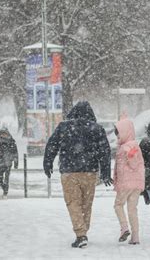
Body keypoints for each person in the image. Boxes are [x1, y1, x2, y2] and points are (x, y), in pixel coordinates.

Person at [44, 101, 112, 248]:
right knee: (87, 204)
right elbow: (105, 152)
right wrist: (105, 172)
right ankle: (83, 230)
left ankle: (81, 234)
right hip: (90, 172)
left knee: (73, 202)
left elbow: (52, 144)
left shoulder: (64, 127)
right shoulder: (96, 129)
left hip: (69, 172)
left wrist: (47, 162)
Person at [113, 117, 145, 245]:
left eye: (119, 133)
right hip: (137, 183)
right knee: (133, 209)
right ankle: (135, 236)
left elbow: (130, 163)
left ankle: (124, 227)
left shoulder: (126, 147)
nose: (117, 137)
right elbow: (139, 165)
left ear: (125, 132)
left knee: (118, 205)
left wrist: (130, 155)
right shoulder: (135, 144)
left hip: (126, 183)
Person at [0, 127, 18, 199]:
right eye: (2, 133)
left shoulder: (11, 141)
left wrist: (16, 163)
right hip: (0, 161)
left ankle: (5, 192)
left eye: (5, 133)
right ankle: (4, 188)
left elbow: (15, 153)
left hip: (8, 162)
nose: (3, 135)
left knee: (6, 178)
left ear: (7, 133)